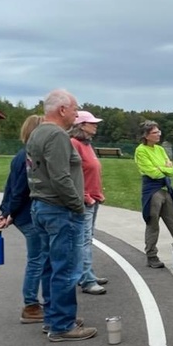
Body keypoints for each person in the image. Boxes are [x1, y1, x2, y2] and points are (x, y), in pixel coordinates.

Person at [25, 89, 96, 342]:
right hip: (59, 209)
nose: (77, 113)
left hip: (41, 206)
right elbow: (61, 176)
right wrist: (77, 205)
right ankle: (62, 325)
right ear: (62, 109)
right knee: (66, 268)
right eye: (75, 108)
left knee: (50, 266)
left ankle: (54, 317)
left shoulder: (37, 132)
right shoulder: (55, 135)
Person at [0, 114, 46, 324]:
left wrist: (5, 211)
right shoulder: (27, 157)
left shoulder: (21, 155)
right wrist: (10, 213)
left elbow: (9, 187)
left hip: (22, 214)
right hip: (28, 216)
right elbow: (18, 191)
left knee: (39, 258)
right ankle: (31, 305)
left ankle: (33, 302)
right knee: (37, 260)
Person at [135, 120, 173, 269]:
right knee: (153, 223)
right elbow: (152, 173)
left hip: (166, 189)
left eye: (159, 131)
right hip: (152, 191)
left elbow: (172, 170)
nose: (159, 134)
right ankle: (151, 255)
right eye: (155, 132)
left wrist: (163, 169)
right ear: (146, 135)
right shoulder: (141, 150)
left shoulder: (160, 150)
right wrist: (164, 168)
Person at [69, 110, 107, 295]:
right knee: (83, 240)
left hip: (93, 198)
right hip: (85, 201)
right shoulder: (74, 144)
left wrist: (97, 193)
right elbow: (71, 174)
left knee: (87, 238)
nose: (95, 125)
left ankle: (86, 273)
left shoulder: (87, 144)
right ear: (81, 125)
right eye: (92, 123)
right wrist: (86, 195)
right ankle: (86, 279)